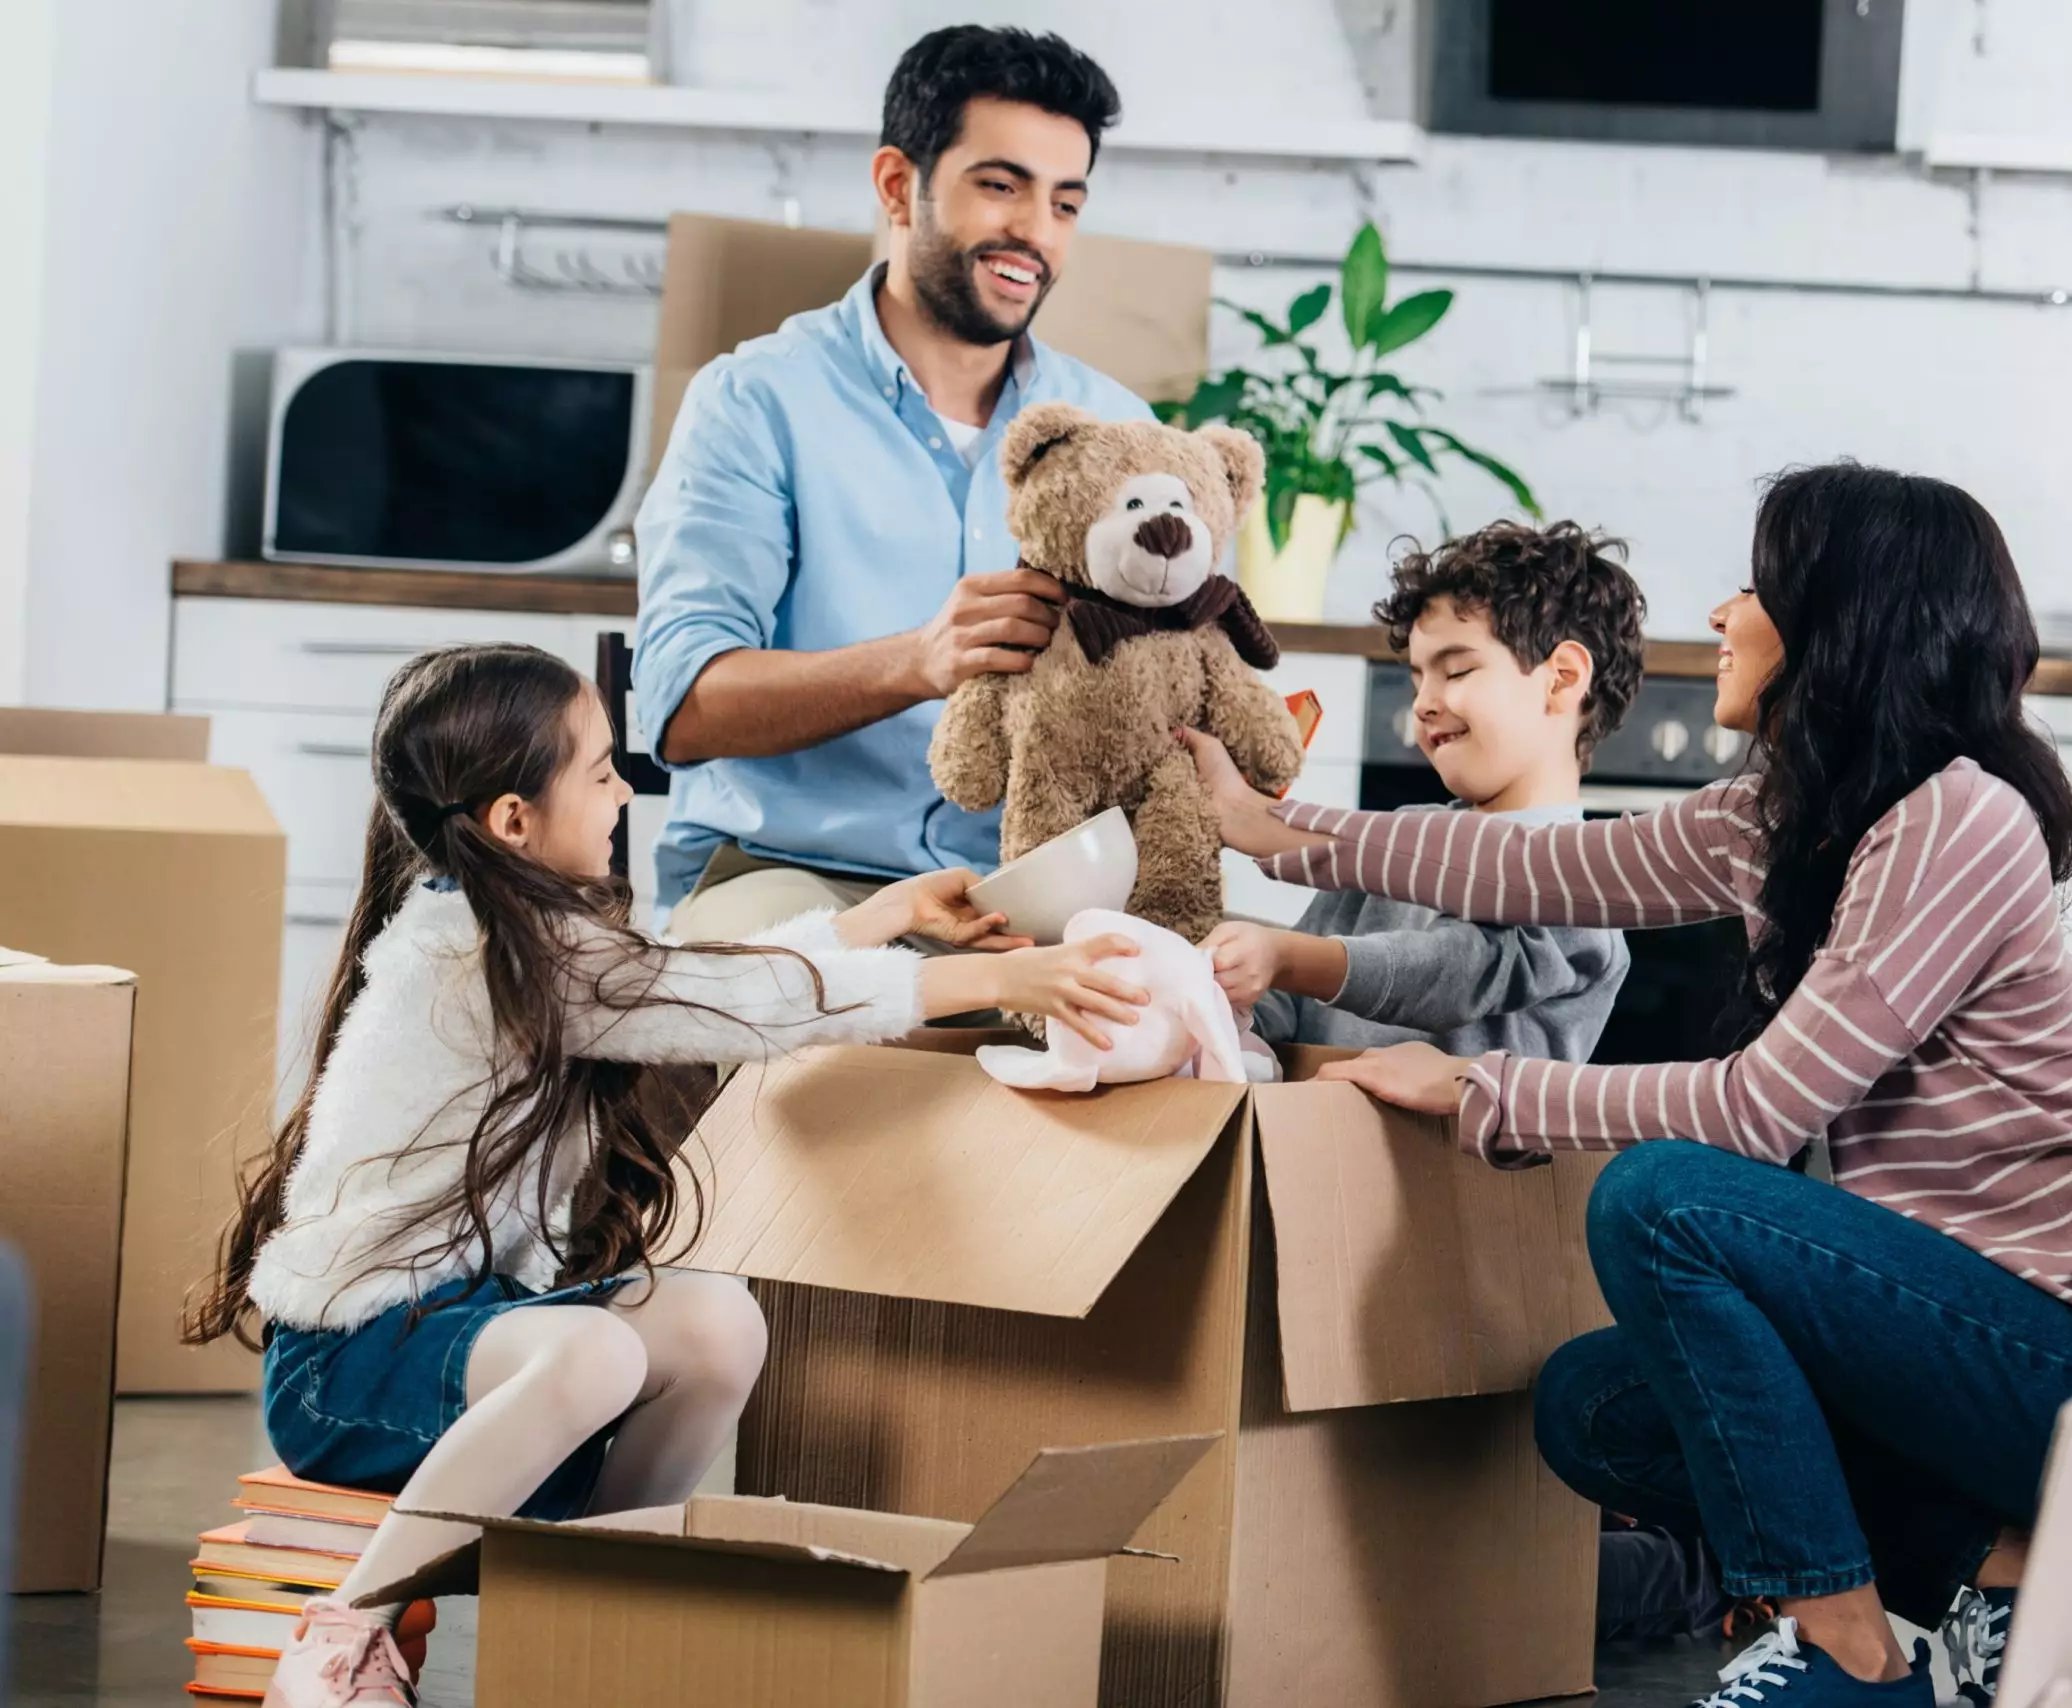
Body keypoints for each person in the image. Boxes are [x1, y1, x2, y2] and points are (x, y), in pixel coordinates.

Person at [1187, 463, 2072, 1708]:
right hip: (2004, 1336)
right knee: (1596, 1410)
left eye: (1755, 587)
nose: (1718, 614)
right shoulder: (1785, 815)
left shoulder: (1955, 819)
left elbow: (1763, 1108)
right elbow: (1541, 869)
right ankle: (2005, 1577)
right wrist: (1278, 830)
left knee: (1659, 1199)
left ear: (1840, 619)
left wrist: (1489, 1091)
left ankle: (1844, 1657)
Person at [183, 645, 1146, 1708]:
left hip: (466, 1329)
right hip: (345, 1368)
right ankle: (343, 1636)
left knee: (714, 1322)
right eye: (598, 770)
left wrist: (883, 916)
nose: (622, 789)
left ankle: (595, 1604)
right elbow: (718, 1004)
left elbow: (691, 982)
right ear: (513, 819)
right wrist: (990, 975)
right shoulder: (486, 959)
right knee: (594, 1349)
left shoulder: (529, 934)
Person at [635, 25, 1155, 943]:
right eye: (1001, 186)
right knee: (804, 1021)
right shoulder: (754, 401)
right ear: (896, 185)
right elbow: (681, 710)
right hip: (791, 876)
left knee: (1191, 1037)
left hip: (1030, 893)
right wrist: (917, 662)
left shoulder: (1119, 432)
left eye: (1065, 203)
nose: (1034, 233)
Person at [1201, 521, 1635, 1063]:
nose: (1424, 704)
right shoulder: (1391, 843)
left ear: (1563, 678)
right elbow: (1287, 1003)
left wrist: (1284, 955)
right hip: (1314, 1133)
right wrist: (1214, 980)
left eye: (1456, 671)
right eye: (1416, 679)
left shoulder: (1582, 886)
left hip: (1443, 1150)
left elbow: (1453, 973)